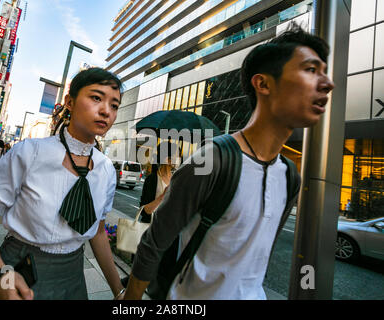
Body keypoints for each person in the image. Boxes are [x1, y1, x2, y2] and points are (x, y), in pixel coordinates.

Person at [123, 27, 335, 300]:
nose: (327, 83)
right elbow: (154, 243)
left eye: (323, 71)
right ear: (264, 84)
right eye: (310, 69)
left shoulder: (290, 175)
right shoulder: (212, 159)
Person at [0, 67, 125, 300]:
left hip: (73, 280)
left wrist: (118, 290)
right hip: (18, 272)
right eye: (96, 98)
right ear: (69, 102)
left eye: (114, 105)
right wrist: (1, 276)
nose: (106, 111)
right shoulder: (29, 152)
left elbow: (98, 233)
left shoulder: (107, 169)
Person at [120, 142, 177, 287]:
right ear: (167, 158)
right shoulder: (152, 179)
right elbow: (145, 210)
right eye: (175, 155)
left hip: (167, 233)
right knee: (141, 272)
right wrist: (162, 196)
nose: (178, 159)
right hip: (149, 231)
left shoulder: (176, 178)